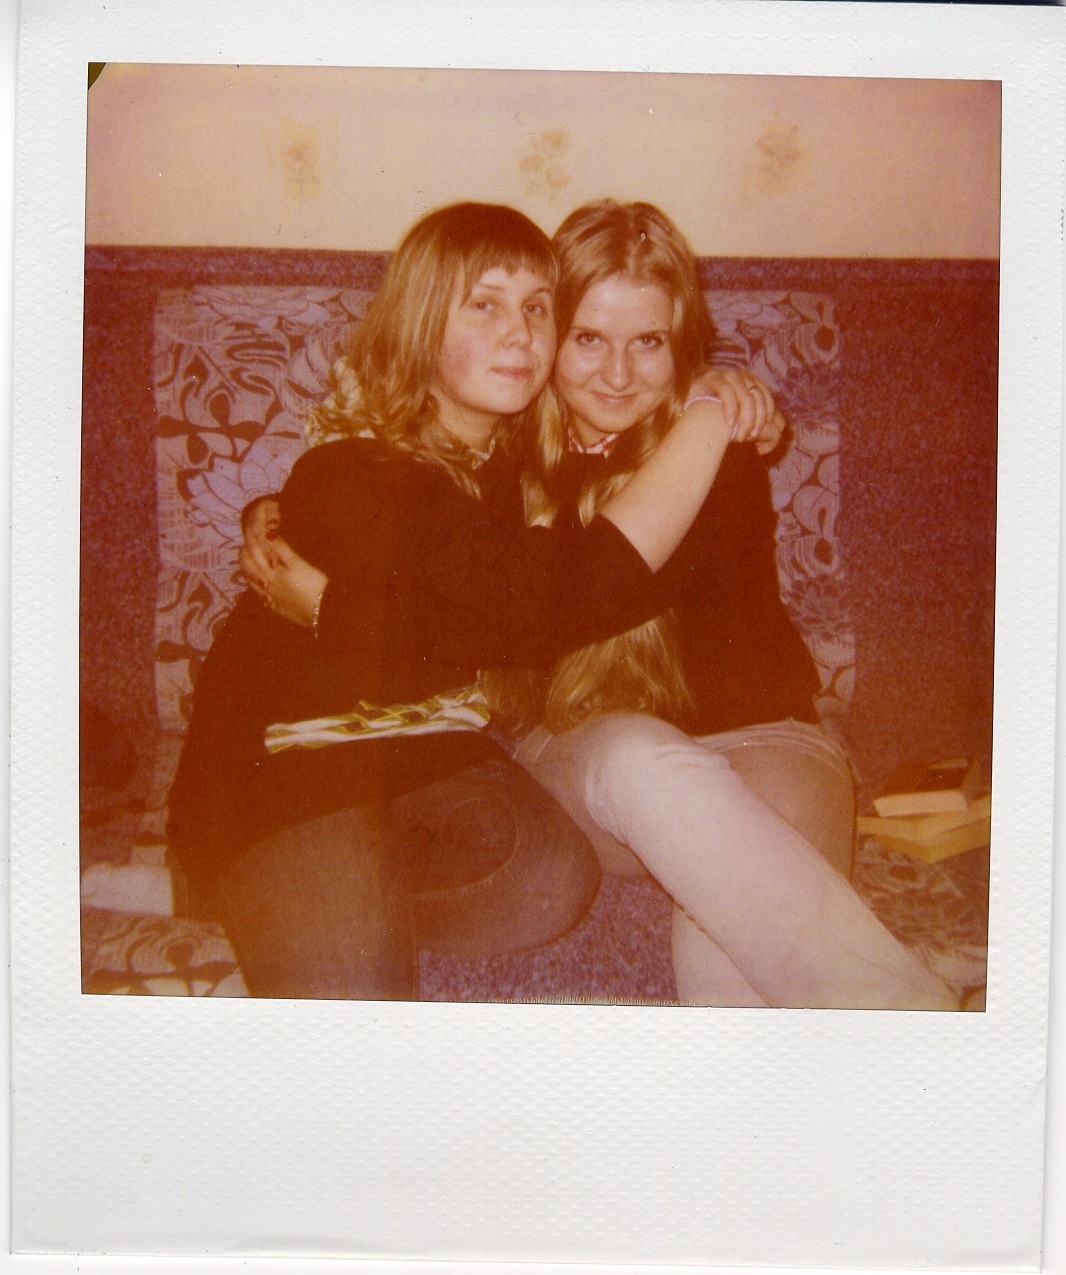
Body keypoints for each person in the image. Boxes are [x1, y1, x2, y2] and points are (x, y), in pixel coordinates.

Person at [166, 201, 755, 1001]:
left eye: (538, 308)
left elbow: (474, 597)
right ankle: (258, 884)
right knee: (350, 1008)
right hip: (295, 766)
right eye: (484, 304)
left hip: (428, 754)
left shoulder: (510, 468)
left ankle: (304, 898)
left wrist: (704, 386)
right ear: (419, 324)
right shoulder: (352, 469)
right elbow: (544, 604)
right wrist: (710, 420)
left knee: (550, 881)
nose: (520, 333)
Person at [482, 199, 959, 1010]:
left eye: (649, 343)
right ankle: (917, 1016)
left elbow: (634, 571)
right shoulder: (499, 455)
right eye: (588, 338)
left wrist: (705, 416)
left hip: (765, 743)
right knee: (639, 758)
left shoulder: (721, 452)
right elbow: (577, 592)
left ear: (682, 345)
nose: (618, 374)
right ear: (547, 334)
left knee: (740, 961)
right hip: (593, 759)